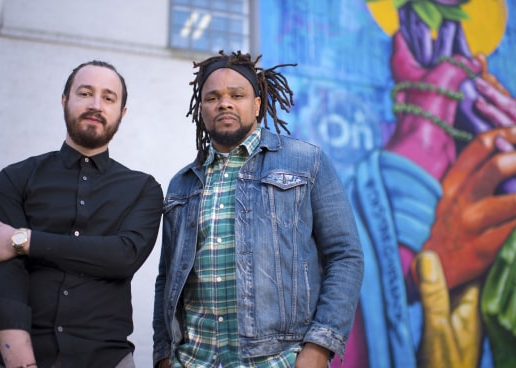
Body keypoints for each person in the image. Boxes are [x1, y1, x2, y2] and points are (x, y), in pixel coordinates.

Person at [152, 50, 364, 368]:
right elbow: (167, 276)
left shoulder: (307, 162)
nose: (224, 103)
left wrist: (319, 346)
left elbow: (345, 256)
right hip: (193, 359)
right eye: (213, 97)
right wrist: (164, 355)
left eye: (237, 95)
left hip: (277, 359)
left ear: (257, 104)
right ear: (201, 109)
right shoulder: (182, 184)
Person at [0, 60, 164, 368]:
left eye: (108, 97)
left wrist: (23, 241)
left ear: (122, 113)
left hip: (105, 358)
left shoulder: (143, 188)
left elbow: (123, 256)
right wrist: (21, 362)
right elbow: (4, 276)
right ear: (65, 101)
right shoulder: (16, 178)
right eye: (85, 93)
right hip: (8, 356)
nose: (95, 104)